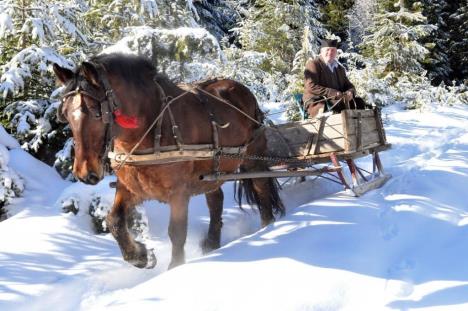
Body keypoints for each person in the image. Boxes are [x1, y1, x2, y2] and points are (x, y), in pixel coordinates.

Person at [303, 39, 365, 119]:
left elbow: (349, 85)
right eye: (327, 50)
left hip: (337, 100)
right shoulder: (313, 64)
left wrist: (350, 92)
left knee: (359, 102)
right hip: (317, 102)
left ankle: (359, 129)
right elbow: (311, 86)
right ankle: (342, 129)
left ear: (336, 52)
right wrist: (332, 92)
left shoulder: (339, 68)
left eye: (333, 50)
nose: (330, 52)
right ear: (321, 52)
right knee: (336, 106)